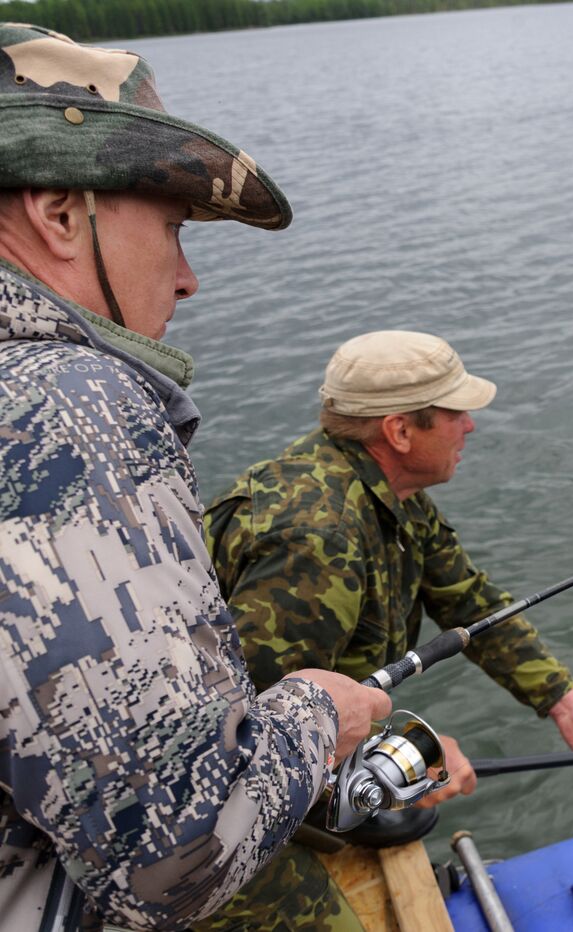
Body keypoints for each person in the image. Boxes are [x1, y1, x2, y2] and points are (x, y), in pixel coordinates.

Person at [0, 25, 390, 931]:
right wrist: (316, 714)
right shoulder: (62, 405)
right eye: (172, 230)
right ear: (60, 213)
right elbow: (173, 856)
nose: (187, 279)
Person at [200, 330, 573, 929]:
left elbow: (467, 600)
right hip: (209, 816)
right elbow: (248, 726)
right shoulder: (317, 537)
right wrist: (410, 755)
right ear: (400, 431)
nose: (471, 428)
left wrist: (562, 700)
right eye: (455, 413)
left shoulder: (389, 493)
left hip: (282, 763)